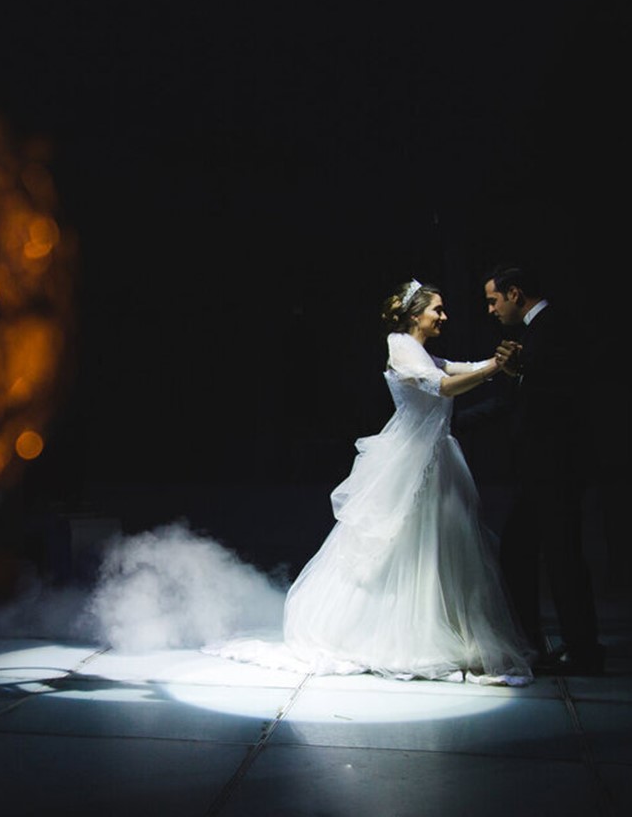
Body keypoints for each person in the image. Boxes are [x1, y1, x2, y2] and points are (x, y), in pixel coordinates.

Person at [207, 279, 535, 684]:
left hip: (433, 455)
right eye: (438, 309)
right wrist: (494, 368)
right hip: (413, 458)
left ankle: (439, 621)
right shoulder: (400, 344)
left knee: (437, 544)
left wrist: (491, 364)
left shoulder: (419, 349)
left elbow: (452, 367)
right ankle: (397, 631)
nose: (444, 316)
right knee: (404, 544)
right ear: (416, 315)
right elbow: (443, 385)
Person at [476, 263, 606, 675]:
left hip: (555, 467)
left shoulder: (553, 327)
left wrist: (521, 372)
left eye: (494, 300)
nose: (492, 310)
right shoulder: (539, 330)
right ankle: (542, 642)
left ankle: (579, 649)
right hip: (543, 469)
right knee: (528, 551)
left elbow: (562, 393)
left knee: (558, 556)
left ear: (515, 293)